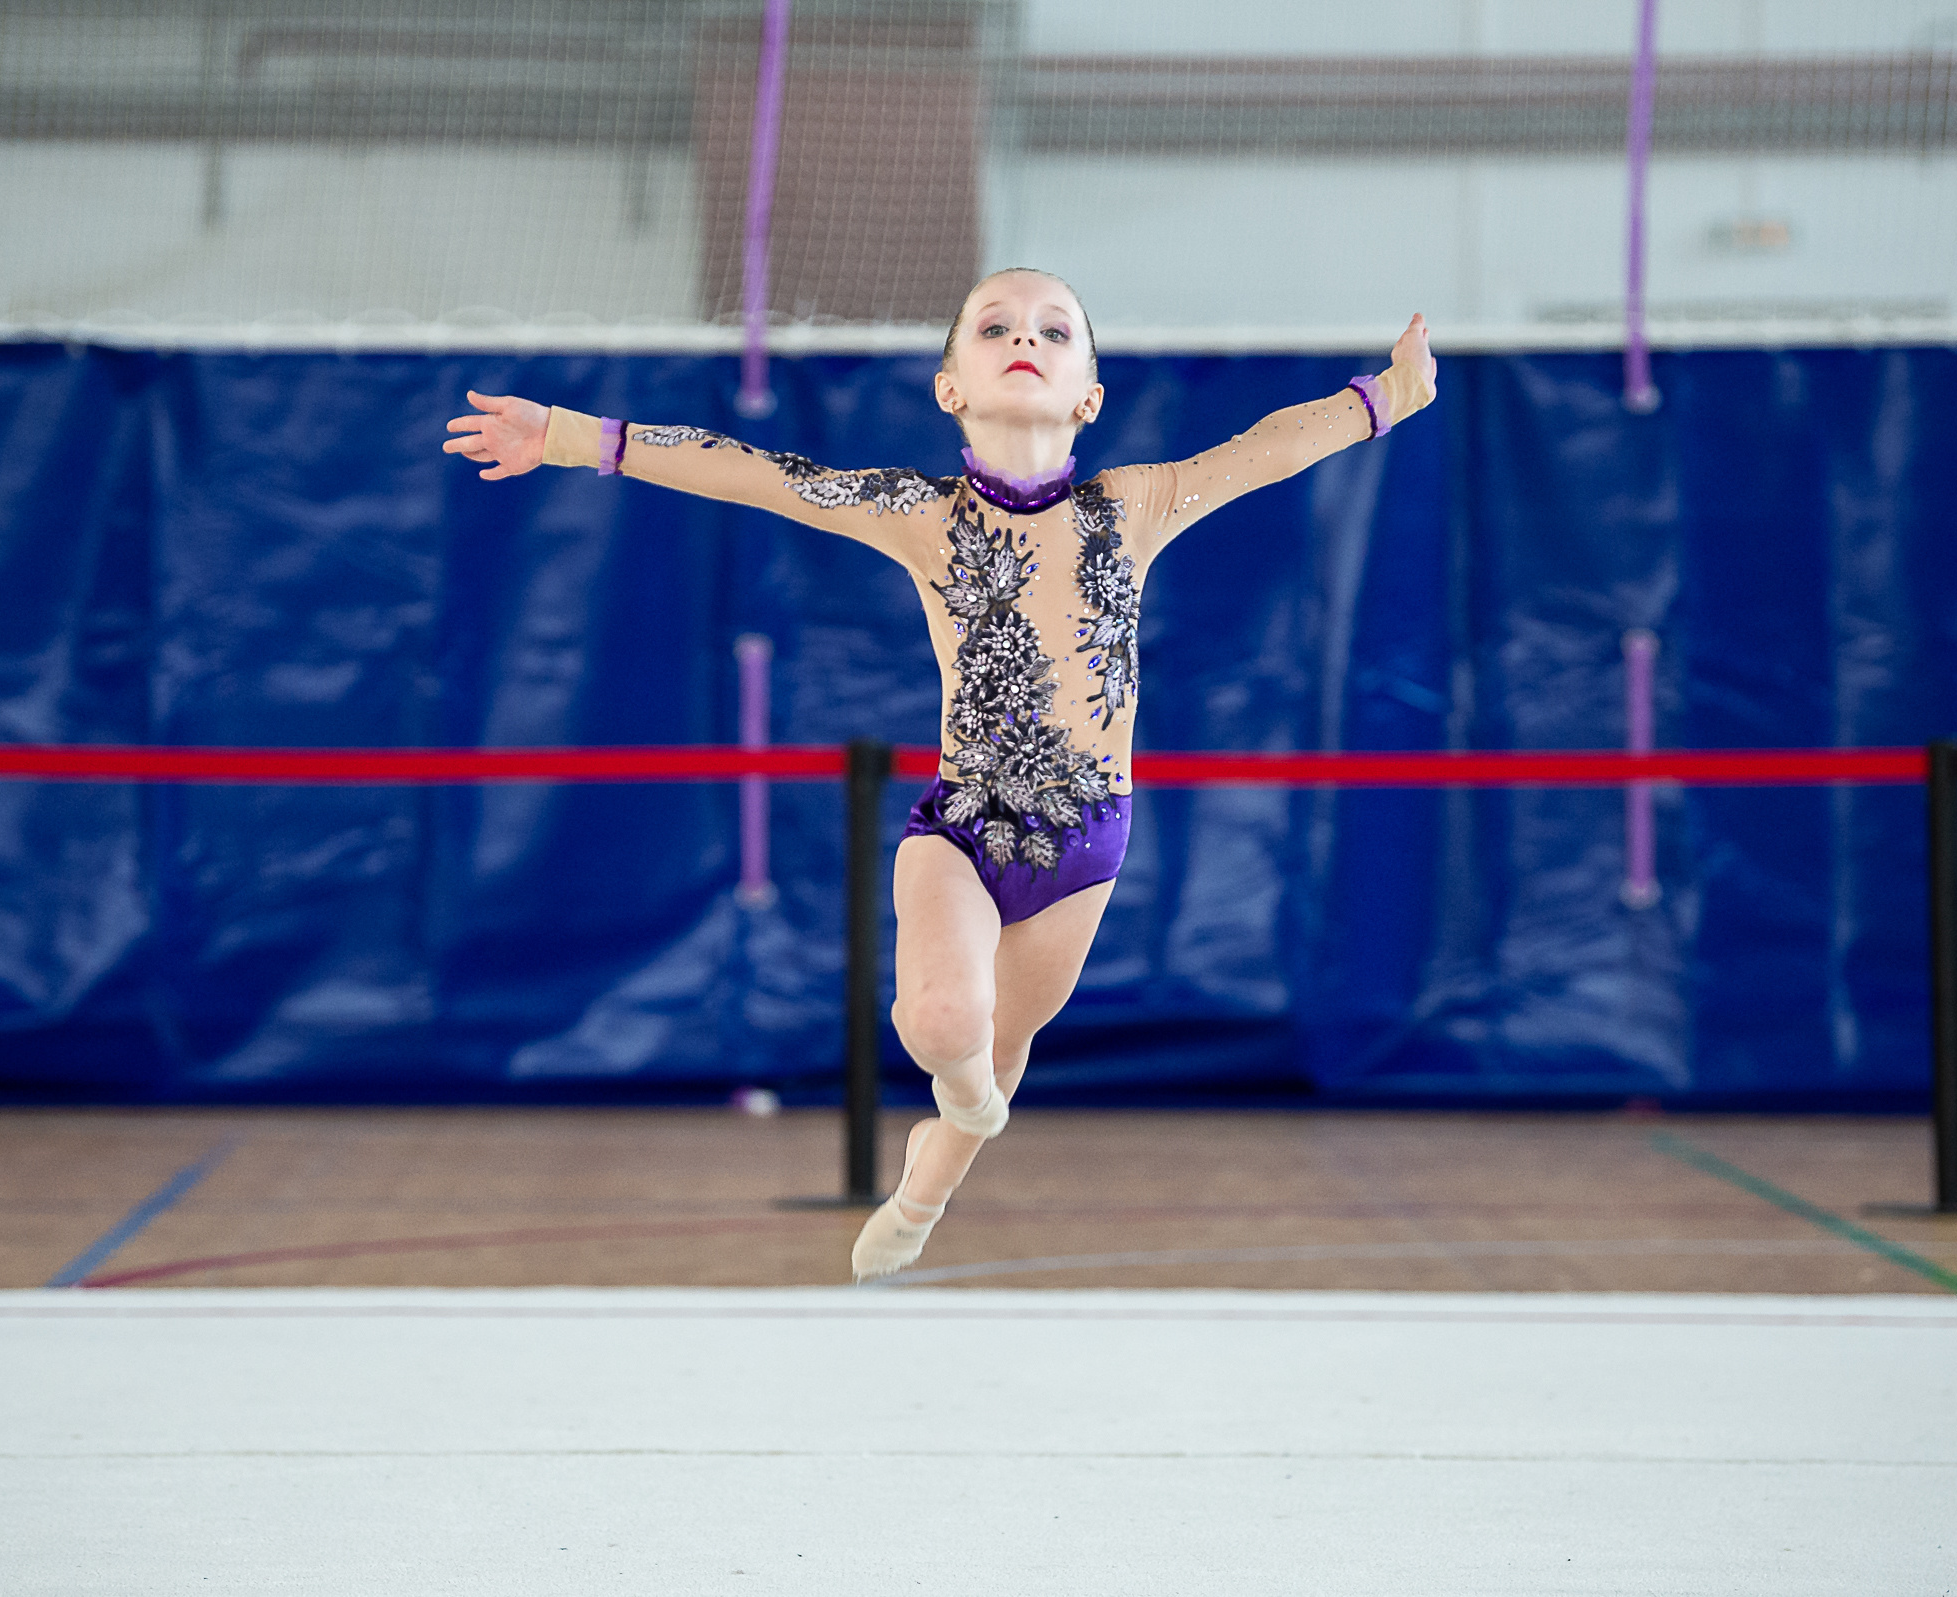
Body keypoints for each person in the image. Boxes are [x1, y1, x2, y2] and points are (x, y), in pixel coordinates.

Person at [444, 269, 1437, 1280]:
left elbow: (1268, 450)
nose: (1026, 338)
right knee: (943, 1025)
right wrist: (567, 434)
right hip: (958, 826)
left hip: (1085, 842)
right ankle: (954, 1117)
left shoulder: (1133, 507)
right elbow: (754, 472)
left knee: (997, 1063)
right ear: (948, 385)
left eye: (1055, 331)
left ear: (1089, 394)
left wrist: (1392, 394)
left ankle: (923, 1191)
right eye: (996, 326)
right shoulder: (923, 514)